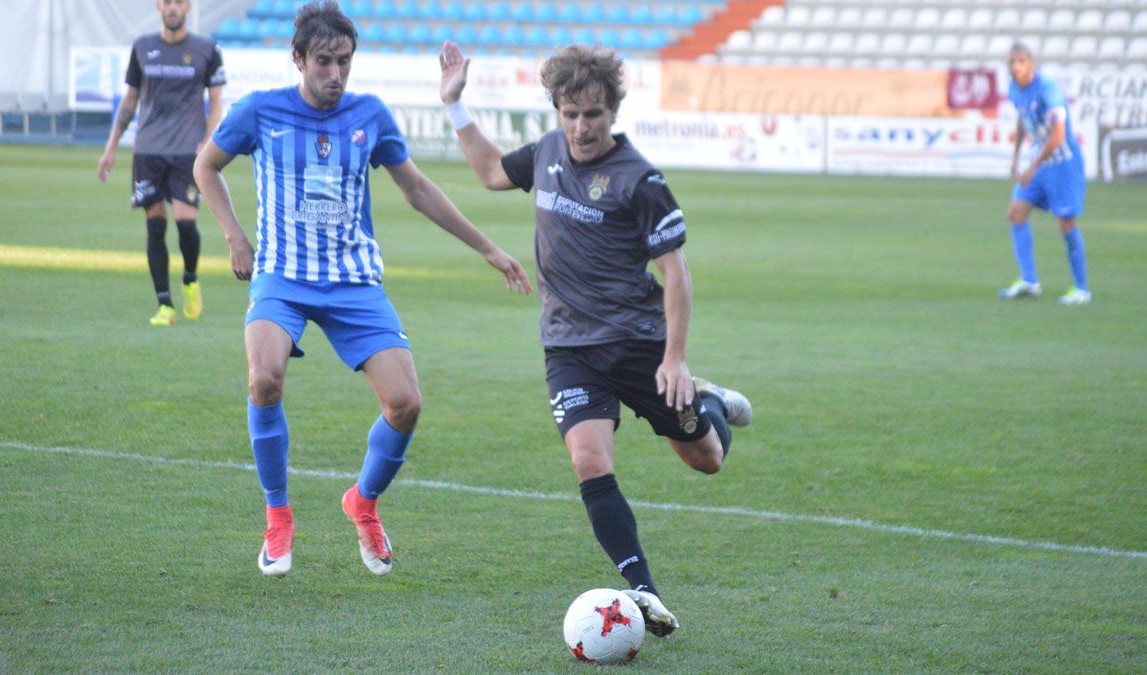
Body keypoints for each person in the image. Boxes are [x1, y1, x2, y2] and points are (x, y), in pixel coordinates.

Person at [193, 2, 531, 578]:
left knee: (406, 404)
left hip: (354, 281)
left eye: (344, 62)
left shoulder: (370, 115)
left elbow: (417, 189)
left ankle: (363, 503)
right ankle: (278, 516)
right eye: (324, 61)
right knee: (264, 376)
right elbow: (206, 167)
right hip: (283, 276)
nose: (335, 74)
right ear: (297, 59)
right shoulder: (259, 112)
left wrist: (488, 248)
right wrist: (234, 236)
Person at [438, 40, 752, 637]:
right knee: (588, 460)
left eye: (593, 115)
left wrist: (676, 358)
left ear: (613, 112)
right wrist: (455, 106)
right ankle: (646, 593)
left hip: (640, 346)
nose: (581, 128)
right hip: (569, 349)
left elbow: (676, 274)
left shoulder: (641, 180)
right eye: (571, 114)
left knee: (705, 459)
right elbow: (489, 172)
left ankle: (708, 400)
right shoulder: (550, 151)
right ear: (557, 110)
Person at [97, 0, 226, 326]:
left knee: (185, 223)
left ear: (187, 8)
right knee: (155, 225)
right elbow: (130, 100)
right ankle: (164, 305)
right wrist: (111, 146)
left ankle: (190, 278)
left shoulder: (206, 49)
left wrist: (208, 143)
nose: (173, 8)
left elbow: (215, 104)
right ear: (159, 6)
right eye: (168, 2)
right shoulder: (142, 48)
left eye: (179, 3)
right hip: (148, 151)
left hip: (187, 153)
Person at [999, 43, 1091, 305]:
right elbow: (1022, 120)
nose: (1016, 66)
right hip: (1039, 165)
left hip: (1063, 164)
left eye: (1021, 61)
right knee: (1016, 213)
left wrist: (1031, 166)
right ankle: (1029, 281)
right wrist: (1016, 158)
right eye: (1012, 62)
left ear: (1031, 64)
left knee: (1066, 223)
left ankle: (1081, 288)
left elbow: (1059, 134)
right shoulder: (1015, 90)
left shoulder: (1048, 89)